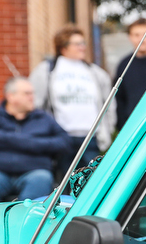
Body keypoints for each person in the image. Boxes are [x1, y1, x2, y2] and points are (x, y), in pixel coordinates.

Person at [29, 24, 115, 175]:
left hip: (91, 138)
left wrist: (108, 130)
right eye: (77, 44)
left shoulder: (95, 73)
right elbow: (34, 104)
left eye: (83, 43)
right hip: (62, 139)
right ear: (63, 47)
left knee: (91, 182)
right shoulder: (46, 70)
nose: (82, 47)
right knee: (64, 184)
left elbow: (109, 104)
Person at [0, 77, 70, 201]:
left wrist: (32, 143)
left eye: (32, 93)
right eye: (27, 93)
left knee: (42, 180)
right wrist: (24, 141)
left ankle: (26, 219)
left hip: (35, 171)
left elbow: (64, 141)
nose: (32, 97)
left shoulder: (43, 118)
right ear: (11, 96)